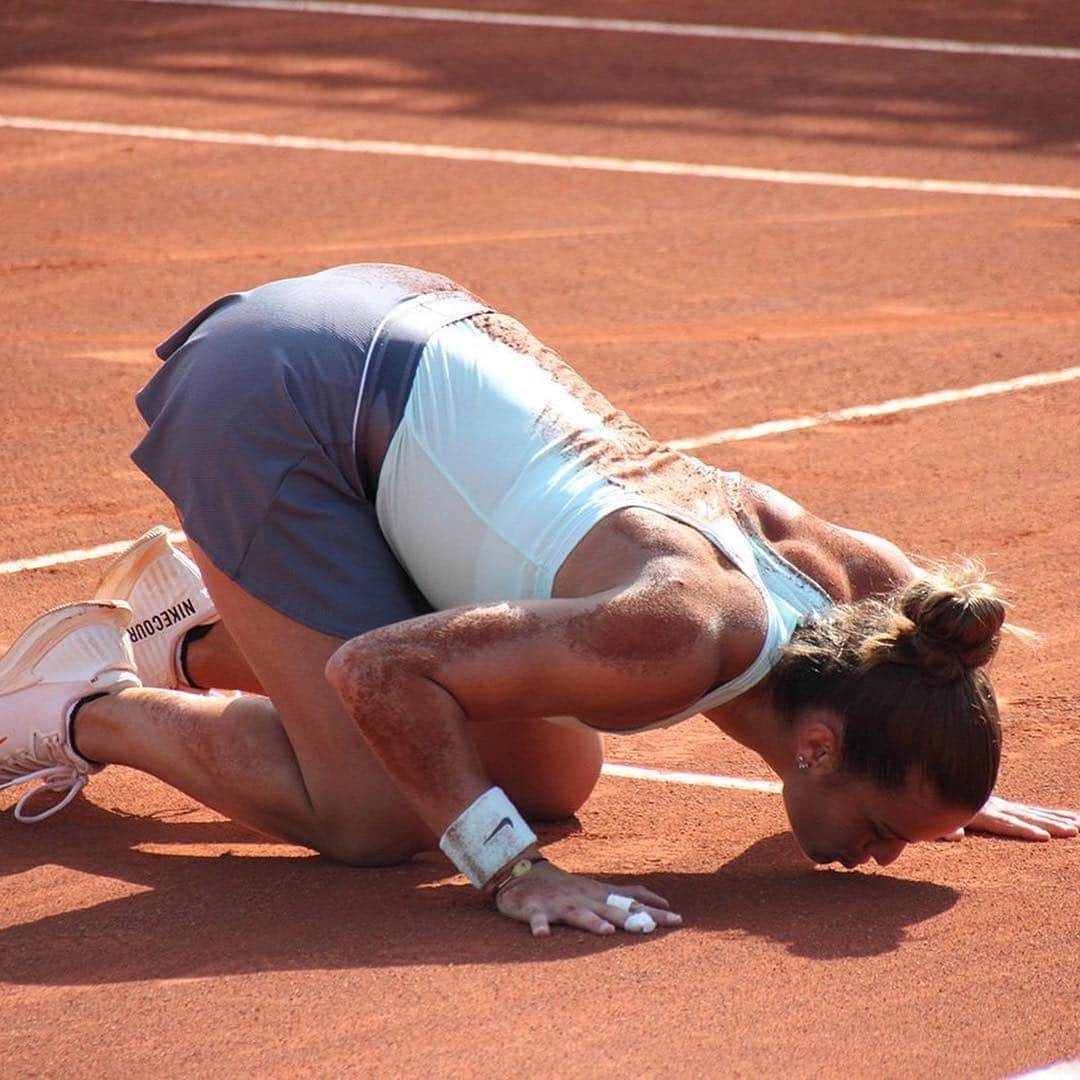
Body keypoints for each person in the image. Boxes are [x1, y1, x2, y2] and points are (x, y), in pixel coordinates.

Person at [1, 264, 1076, 938]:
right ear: (818, 747)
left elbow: (911, 680)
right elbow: (378, 673)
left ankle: (196, 631)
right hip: (279, 397)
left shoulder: (878, 600)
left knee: (552, 772)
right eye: (888, 830)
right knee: (380, 816)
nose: (885, 855)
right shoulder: (676, 635)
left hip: (402, 320)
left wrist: (933, 779)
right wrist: (510, 873)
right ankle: (81, 699)